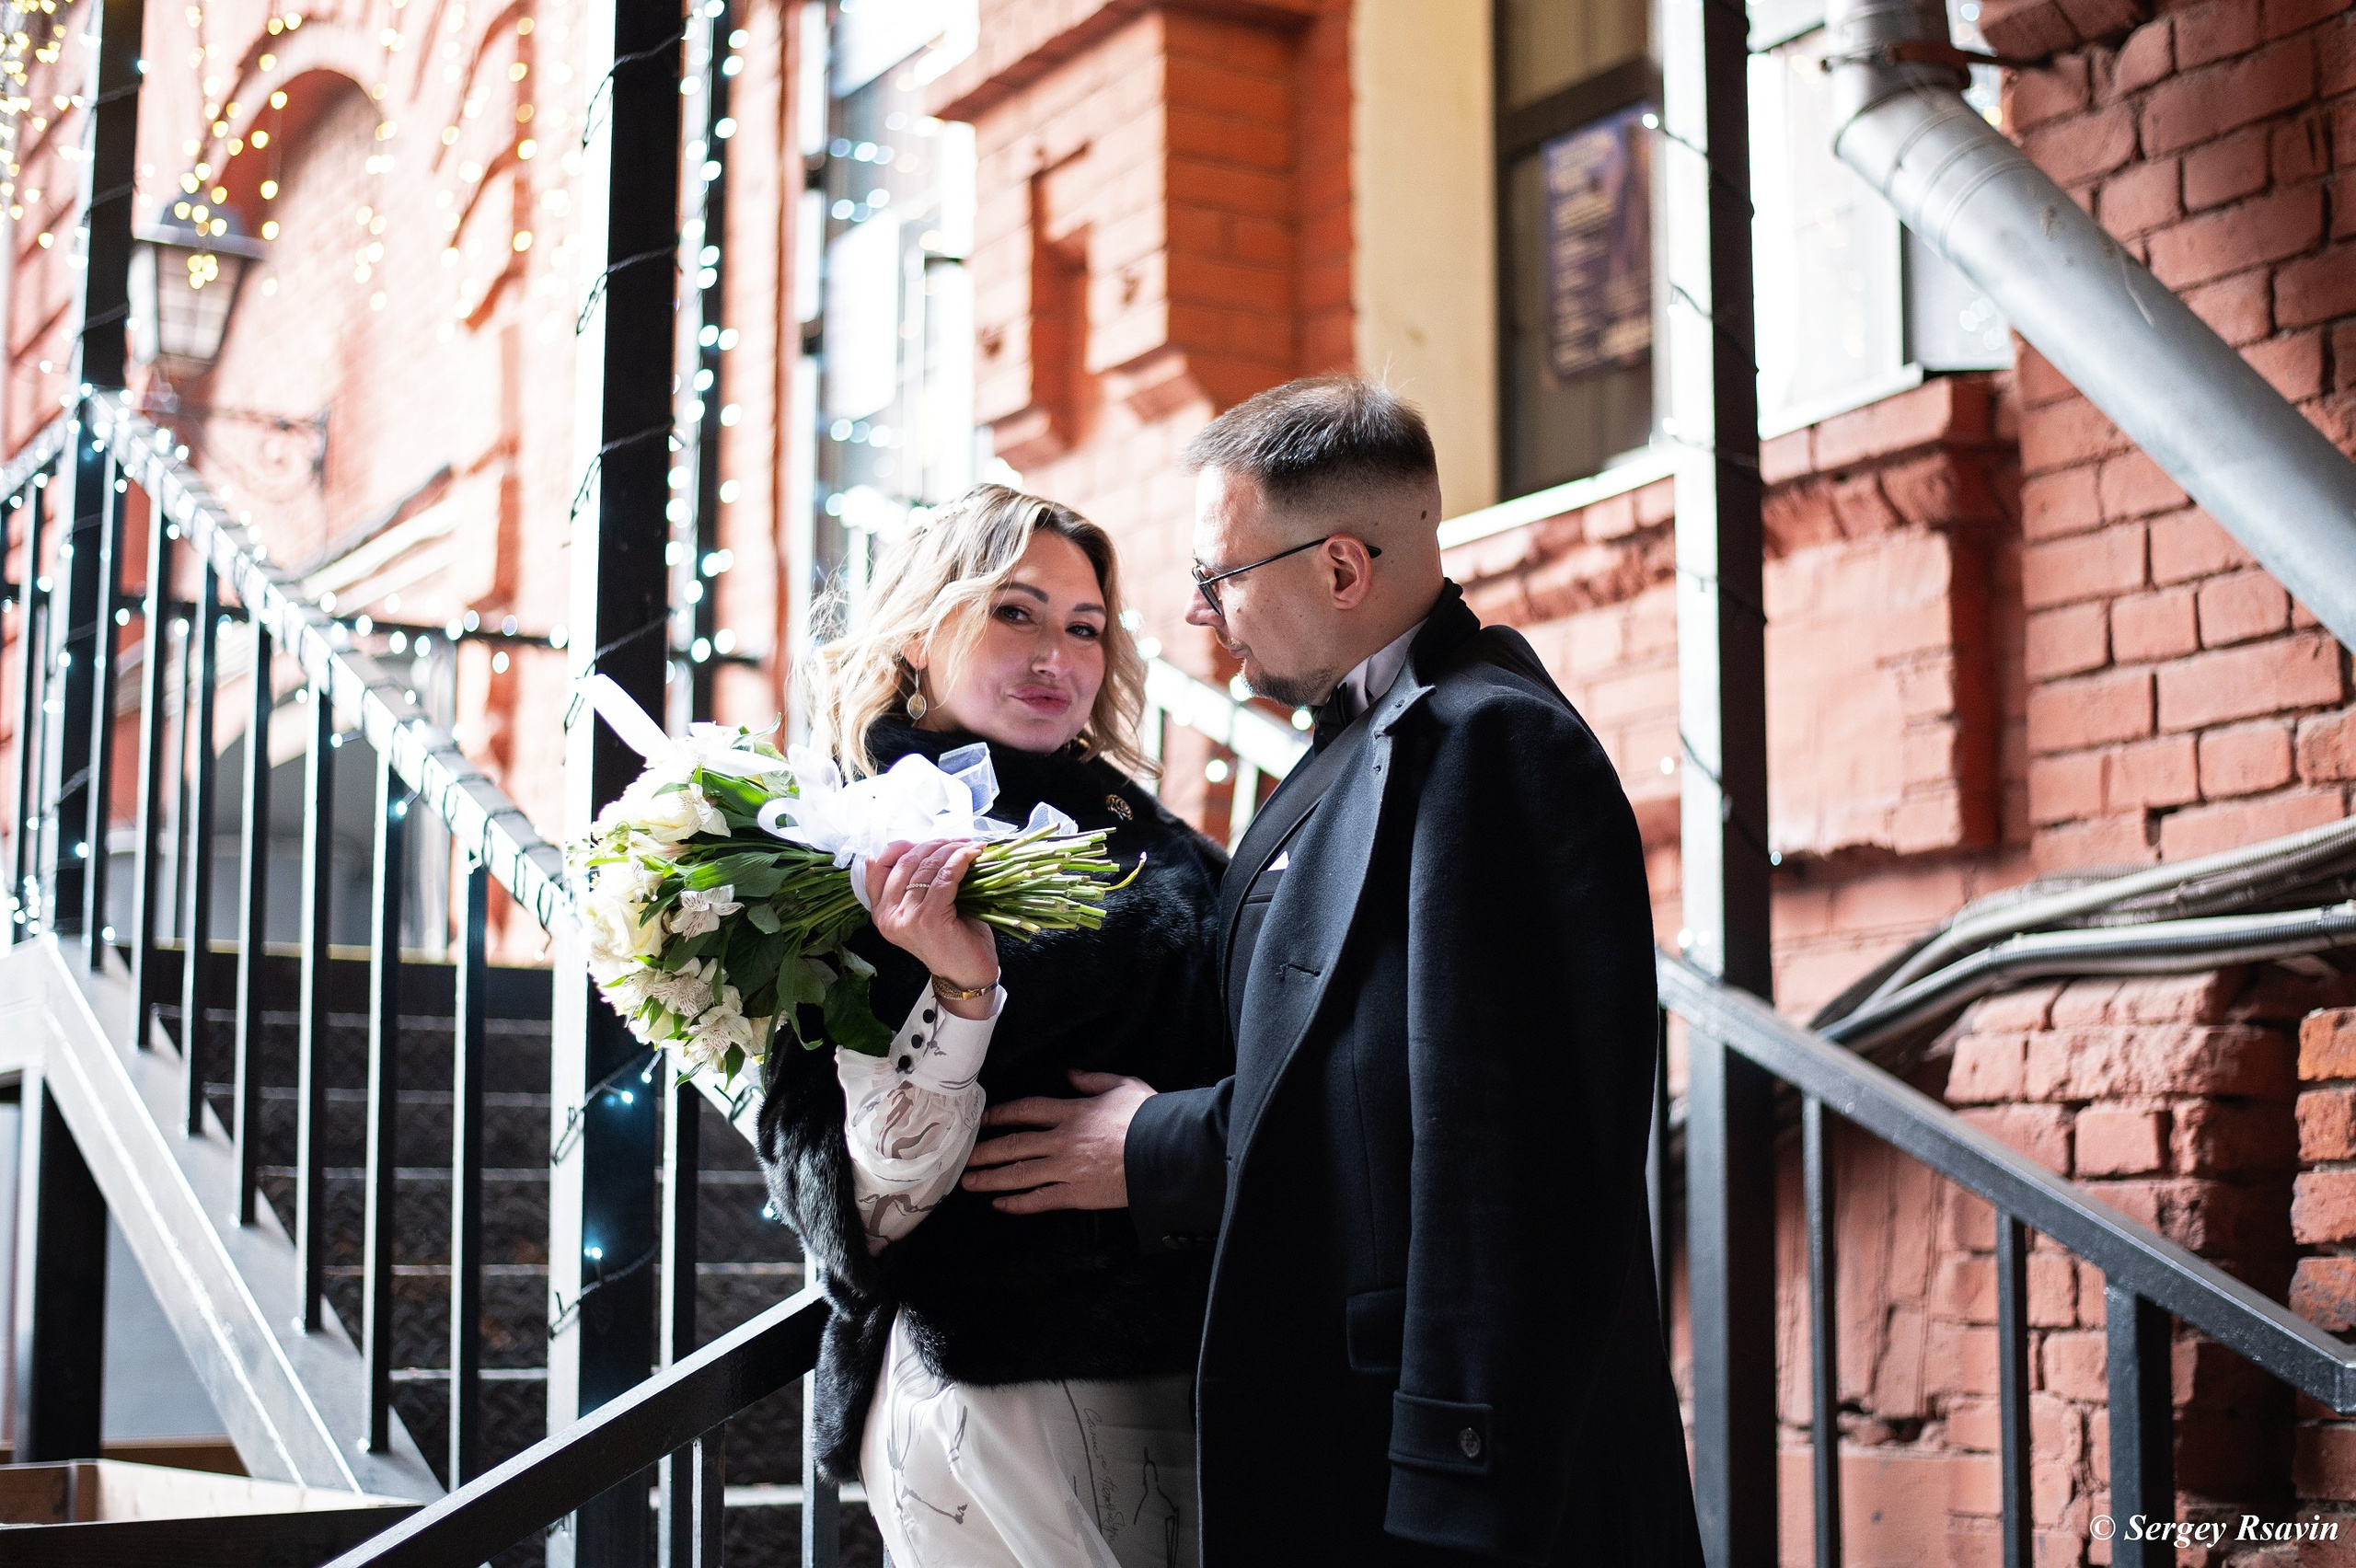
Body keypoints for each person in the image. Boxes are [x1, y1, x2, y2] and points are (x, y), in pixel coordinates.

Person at [960, 378, 1705, 1565]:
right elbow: (1337, 1069)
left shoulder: (1493, 743)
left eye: (1220, 578)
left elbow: (1505, 1152)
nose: (1201, 618)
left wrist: (1456, 1478)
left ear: (1342, 570)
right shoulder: (1364, 741)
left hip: (1434, 1481)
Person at [755, 485, 1230, 1568]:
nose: (1053, 655)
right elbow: (851, 1212)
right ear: (921, 634)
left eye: (1083, 627)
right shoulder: (846, 856)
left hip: (1200, 1378)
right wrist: (962, 995)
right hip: (995, 1390)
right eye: (1012, 612)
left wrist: (1158, 1143)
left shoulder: (1175, 858)